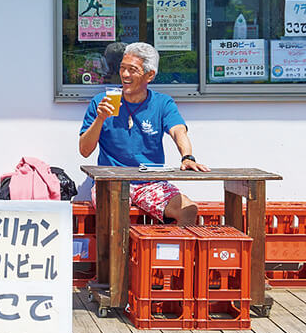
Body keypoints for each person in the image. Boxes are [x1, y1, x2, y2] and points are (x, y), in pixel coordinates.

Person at [78, 42, 211, 225]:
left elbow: (178, 131)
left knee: (188, 209)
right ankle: (117, 254)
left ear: (150, 75)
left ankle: (165, 253)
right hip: (111, 180)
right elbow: (84, 150)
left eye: (132, 70)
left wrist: (187, 157)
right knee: (115, 213)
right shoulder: (101, 102)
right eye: (122, 68)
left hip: (150, 182)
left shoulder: (162, 103)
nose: (124, 75)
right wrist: (100, 118)